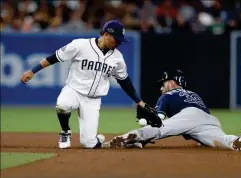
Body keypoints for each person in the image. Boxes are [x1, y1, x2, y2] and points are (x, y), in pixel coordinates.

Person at [20, 20, 147, 149]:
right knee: (63, 104)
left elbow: (124, 81)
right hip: (73, 90)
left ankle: (97, 140)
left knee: (89, 143)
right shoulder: (80, 45)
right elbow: (54, 58)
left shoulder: (118, 58)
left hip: (93, 100)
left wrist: (139, 102)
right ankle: (65, 131)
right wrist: (32, 71)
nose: (119, 43)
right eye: (117, 39)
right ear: (106, 34)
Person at [103, 69, 241, 151]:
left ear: (172, 83)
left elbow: (158, 120)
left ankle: (130, 136)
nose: (161, 88)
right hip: (209, 119)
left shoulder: (168, 95)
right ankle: (233, 141)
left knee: (158, 129)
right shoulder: (194, 94)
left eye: (163, 84)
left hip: (188, 116)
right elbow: (196, 121)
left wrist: (149, 119)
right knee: (217, 138)